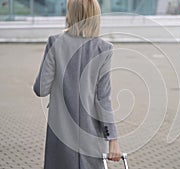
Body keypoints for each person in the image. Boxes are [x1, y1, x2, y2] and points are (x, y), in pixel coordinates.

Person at [33, 0, 121, 168]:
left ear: (71, 14)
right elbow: (103, 99)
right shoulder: (104, 49)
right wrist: (113, 140)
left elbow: (41, 89)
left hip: (61, 135)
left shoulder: (55, 42)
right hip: (91, 136)